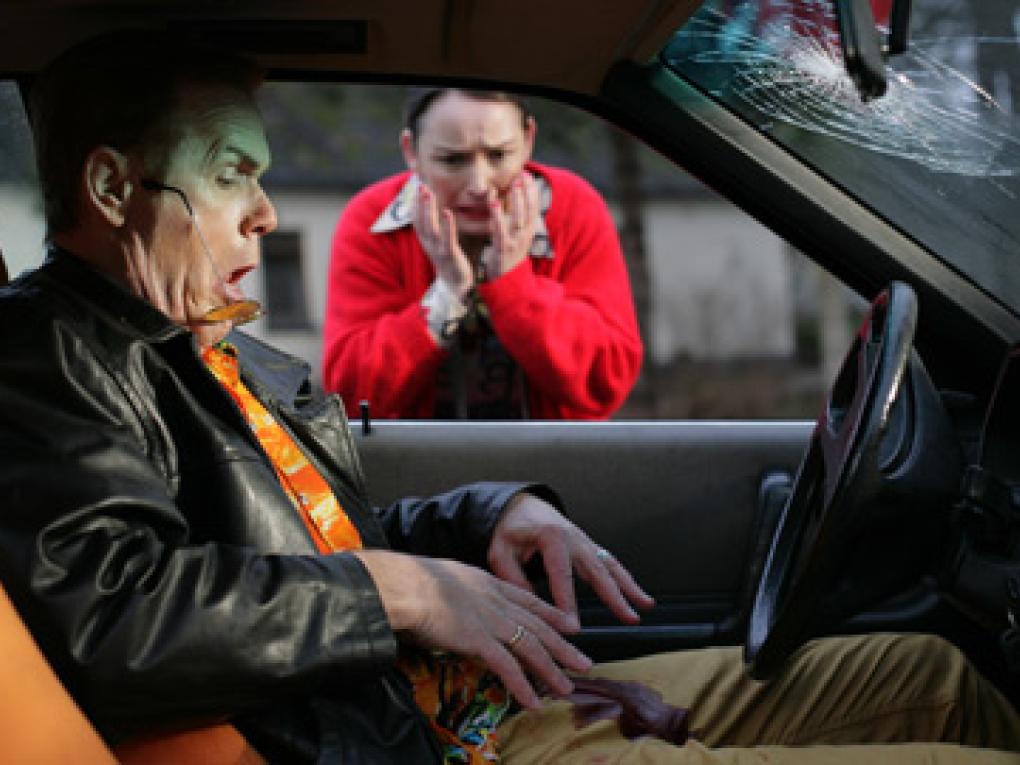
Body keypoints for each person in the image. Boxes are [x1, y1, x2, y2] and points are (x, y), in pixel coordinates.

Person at [0, 30, 1018, 765]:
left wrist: (486, 514)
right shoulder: (47, 356)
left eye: (262, 177)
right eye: (232, 176)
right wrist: (400, 592)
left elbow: (318, 542)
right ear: (110, 189)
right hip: (432, 744)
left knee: (935, 677)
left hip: (465, 703)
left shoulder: (210, 349)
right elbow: (118, 616)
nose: (266, 214)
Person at [321, 88, 643, 419]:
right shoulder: (372, 220)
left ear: (528, 140)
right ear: (411, 151)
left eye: (498, 156)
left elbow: (607, 381)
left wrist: (515, 288)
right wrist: (446, 295)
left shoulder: (573, 209)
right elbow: (352, 395)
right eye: (452, 160)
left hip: (557, 451)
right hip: (419, 453)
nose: (479, 185)